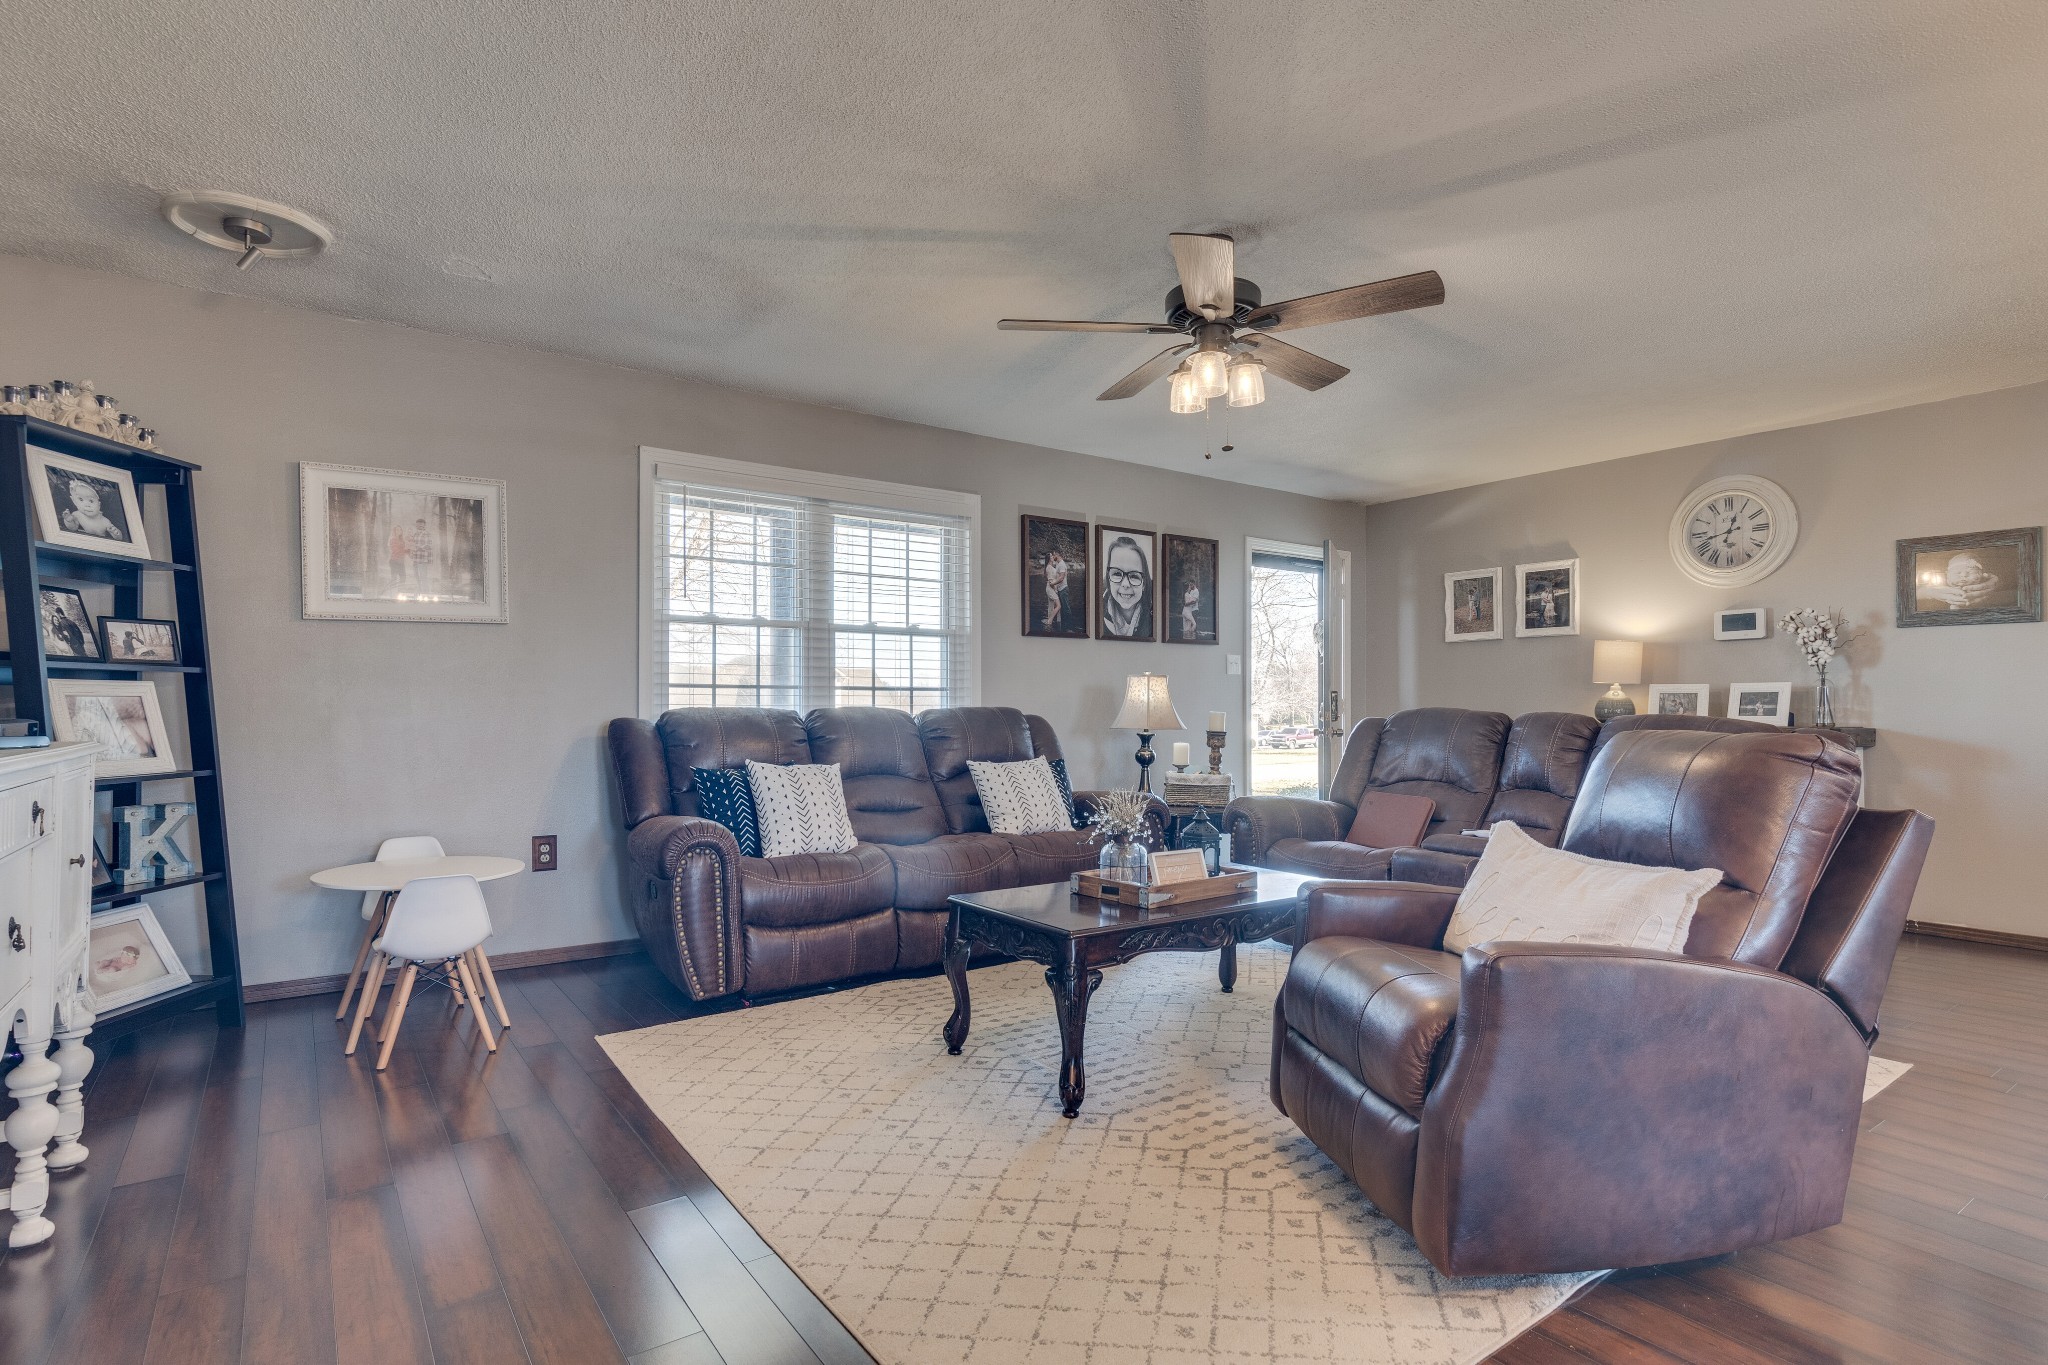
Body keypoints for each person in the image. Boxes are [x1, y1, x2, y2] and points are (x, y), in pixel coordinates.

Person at [1099, 535, 1152, 638]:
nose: (1125, 584)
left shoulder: (1156, 619)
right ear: (1108, 579)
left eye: (1134, 576)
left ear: (1144, 584)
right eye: (1117, 574)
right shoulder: (1094, 616)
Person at [1925, 552, 2002, 609]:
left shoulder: (1984, 581)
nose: (1963, 575)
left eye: (1970, 572)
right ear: (1947, 574)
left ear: (1980, 574)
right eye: (1957, 573)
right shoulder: (1940, 584)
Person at [58, 476, 122, 540]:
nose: (87, 505)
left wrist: (116, 533)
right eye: (81, 499)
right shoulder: (77, 515)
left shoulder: (104, 521)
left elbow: (119, 539)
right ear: (74, 501)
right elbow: (73, 528)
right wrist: (69, 521)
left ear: (99, 504)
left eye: (91, 501)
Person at [1042, 550, 1069, 630]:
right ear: (1049, 559)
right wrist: (1056, 590)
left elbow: (1055, 578)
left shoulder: (1052, 567)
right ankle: (1049, 621)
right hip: (1051, 589)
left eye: (1052, 555)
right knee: (1059, 605)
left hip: (1051, 588)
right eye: (1051, 556)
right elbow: (1051, 581)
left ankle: (1052, 625)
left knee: (1050, 606)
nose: (1053, 557)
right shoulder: (1049, 568)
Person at [406, 517, 435, 590]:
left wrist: (417, 547)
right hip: (415, 559)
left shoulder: (427, 534)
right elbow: (411, 544)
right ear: (416, 525)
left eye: (422, 525)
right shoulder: (415, 534)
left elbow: (429, 546)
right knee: (416, 576)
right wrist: (410, 550)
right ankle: (419, 590)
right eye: (418, 525)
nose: (420, 527)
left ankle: (425, 591)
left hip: (422, 559)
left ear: (424, 526)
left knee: (423, 576)